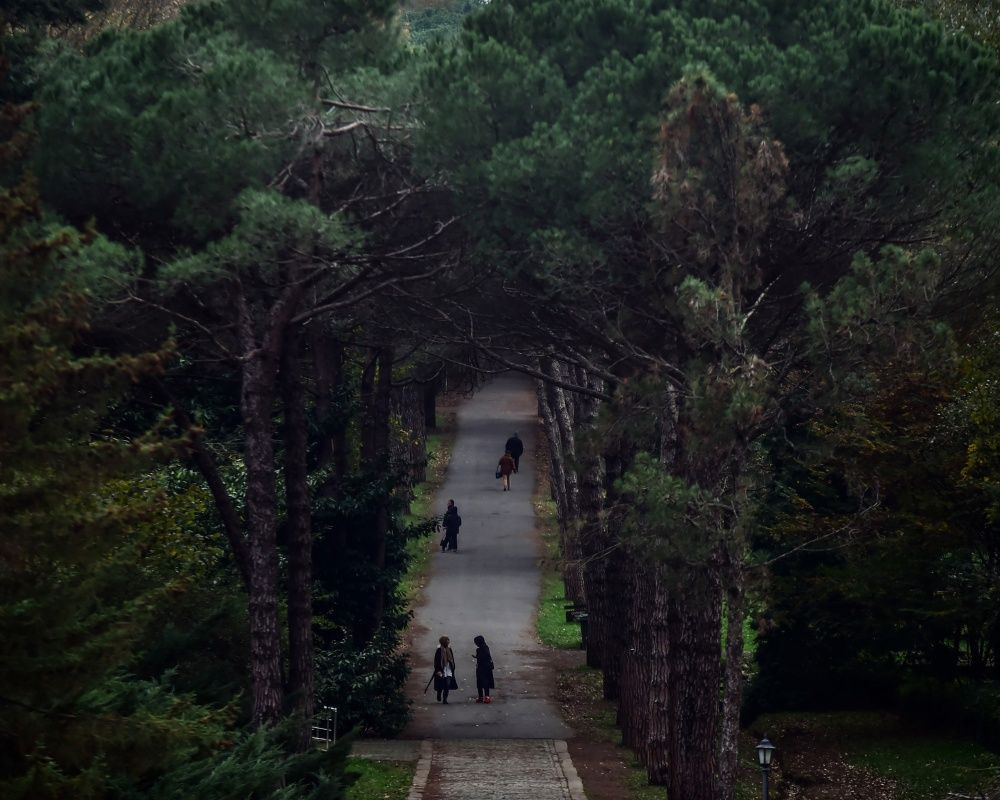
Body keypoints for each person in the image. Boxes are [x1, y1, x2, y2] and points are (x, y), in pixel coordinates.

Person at [433, 635, 458, 704]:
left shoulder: (449, 649)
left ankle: (445, 699)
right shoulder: (439, 650)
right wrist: (438, 670)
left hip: (449, 669)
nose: (449, 642)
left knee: (447, 684)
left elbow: (452, 659)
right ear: (444, 642)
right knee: (441, 684)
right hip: (441, 669)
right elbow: (437, 661)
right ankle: (439, 693)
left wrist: (453, 666)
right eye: (447, 640)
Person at [473, 635, 495, 704]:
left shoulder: (479, 649)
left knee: (480, 682)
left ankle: (481, 697)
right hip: (487, 668)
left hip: (481, 668)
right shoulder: (486, 648)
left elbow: (481, 658)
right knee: (486, 682)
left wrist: (477, 657)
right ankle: (486, 697)